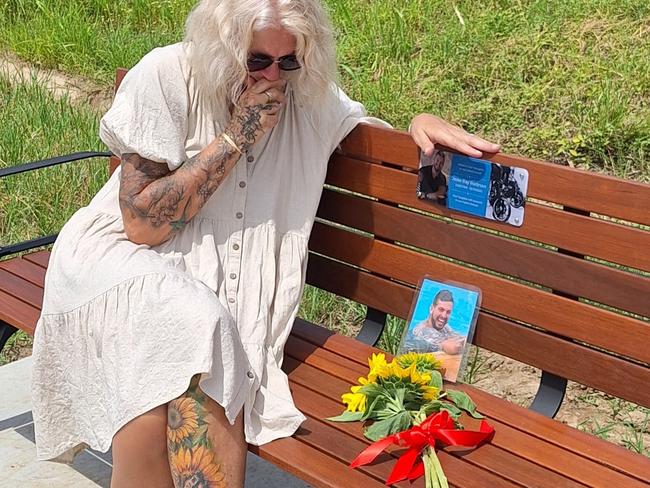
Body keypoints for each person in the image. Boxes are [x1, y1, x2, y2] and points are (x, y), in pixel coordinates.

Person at [30, 1, 500, 486]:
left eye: (288, 61)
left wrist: (418, 124)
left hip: (189, 285)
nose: (272, 76)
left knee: (182, 347)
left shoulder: (304, 95)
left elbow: (366, 136)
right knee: (193, 322)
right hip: (120, 258)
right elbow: (142, 226)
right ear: (221, 48)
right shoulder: (167, 74)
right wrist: (237, 136)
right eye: (257, 60)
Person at [405, 290, 465, 354]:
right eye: (441, 309)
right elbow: (451, 347)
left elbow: (460, 337)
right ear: (431, 309)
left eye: (448, 312)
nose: (444, 316)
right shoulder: (423, 330)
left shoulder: (444, 326)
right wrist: (444, 345)